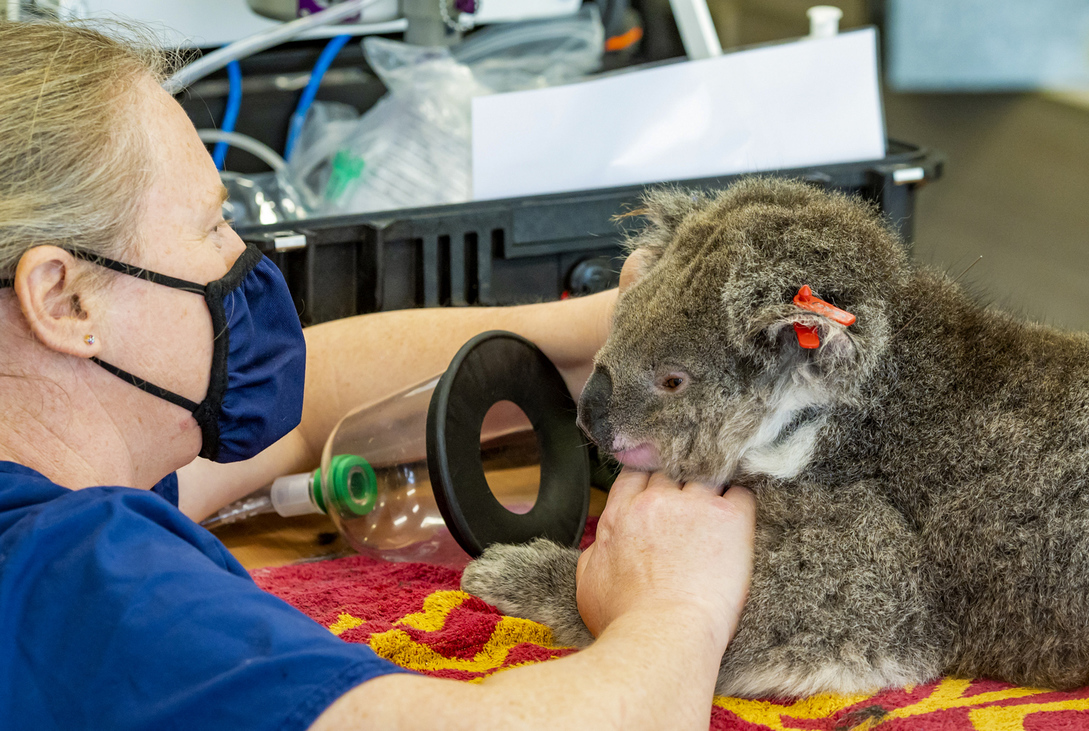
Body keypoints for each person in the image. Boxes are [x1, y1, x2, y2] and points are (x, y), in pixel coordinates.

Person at [0, 19, 755, 731]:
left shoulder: (51, 476)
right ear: (64, 299)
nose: (239, 254)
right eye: (210, 226)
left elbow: (312, 399)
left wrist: (603, 333)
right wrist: (675, 605)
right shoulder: (77, 578)